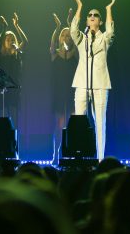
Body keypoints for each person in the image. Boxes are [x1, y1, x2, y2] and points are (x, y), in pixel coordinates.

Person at [70, 0, 115, 161]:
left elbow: (111, 31)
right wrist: (79, 6)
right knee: (79, 120)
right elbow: (73, 29)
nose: (92, 16)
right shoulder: (82, 38)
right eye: (90, 15)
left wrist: (108, 9)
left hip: (101, 84)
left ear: (100, 20)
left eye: (96, 15)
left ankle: (101, 159)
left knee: (100, 123)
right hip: (82, 82)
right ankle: (78, 156)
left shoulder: (104, 38)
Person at [50, 9, 77, 160]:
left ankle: (73, 152)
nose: (66, 37)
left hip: (73, 91)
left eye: (68, 35)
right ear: (60, 38)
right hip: (59, 92)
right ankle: (56, 153)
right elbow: (53, 43)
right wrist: (58, 27)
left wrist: (69, 24)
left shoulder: (74, 53)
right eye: (64, 35)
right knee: (59, 125)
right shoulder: (55, 53)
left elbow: (77, 39)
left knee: (74, 123)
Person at [0, 13, 28, 124]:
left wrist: (16, 25)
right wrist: (4, 28)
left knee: (13, 120)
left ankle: (13, 140)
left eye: (12, 38)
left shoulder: (16, 54)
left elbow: (25, 42)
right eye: (7, 39)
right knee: (1, 119)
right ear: (3, 41)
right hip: (0, 91)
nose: (10, 40)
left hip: (14, 90)